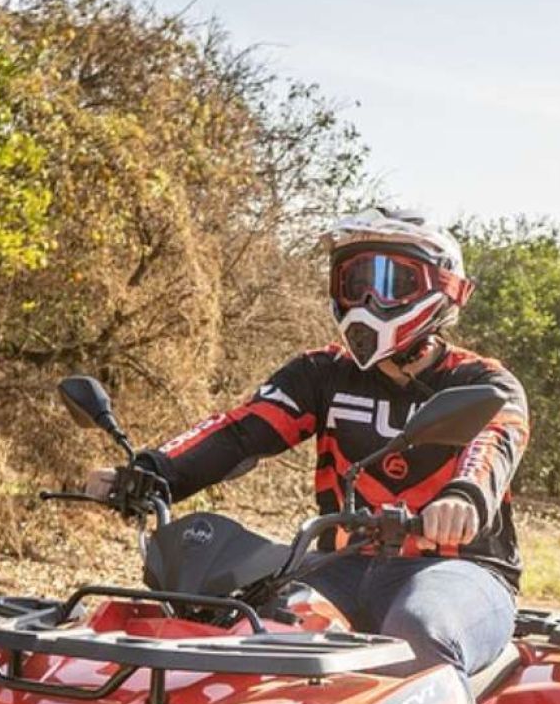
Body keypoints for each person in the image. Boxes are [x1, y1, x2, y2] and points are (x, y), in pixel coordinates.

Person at [84, 207, 530, 678]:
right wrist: (150, 473)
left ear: (441, 290)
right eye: (353, 282)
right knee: (243, 625)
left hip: (461, 571)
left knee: (418, 632)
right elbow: (240, 431)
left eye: (391, 282)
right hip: (342, 562)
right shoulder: (322, 372)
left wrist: (463, 498)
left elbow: (492, 446)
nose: (367, 299)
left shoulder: (484, 383)